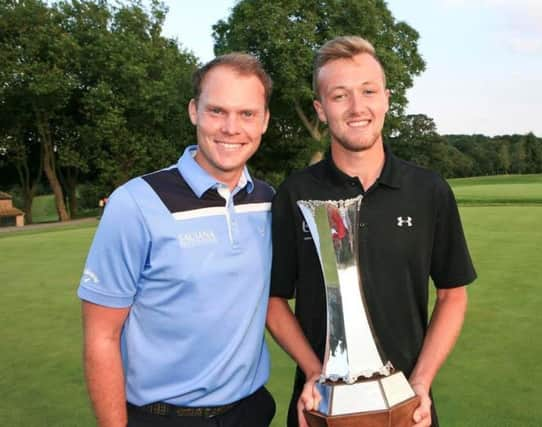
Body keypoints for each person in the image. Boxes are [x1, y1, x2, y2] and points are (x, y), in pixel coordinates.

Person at [267, 36, 477, 427]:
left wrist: (422, 381)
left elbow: (452, 295)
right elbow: (273, 299)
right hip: (318, 407)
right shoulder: (295, 193)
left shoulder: (429, 191)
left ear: (386, 99)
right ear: (321, 109)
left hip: (409, 408)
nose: (357, 107)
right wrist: (315, 371)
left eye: (368, 91)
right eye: (340, 95)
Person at [78, 53, 276, 427]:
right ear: (193, 112)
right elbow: (101, 336)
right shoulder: (135, 202)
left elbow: (276, 304)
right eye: (217, 110)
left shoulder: (267, 201)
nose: (231, 128)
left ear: (264, 120)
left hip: (251, 413)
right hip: (161, 418)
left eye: (247, 114)